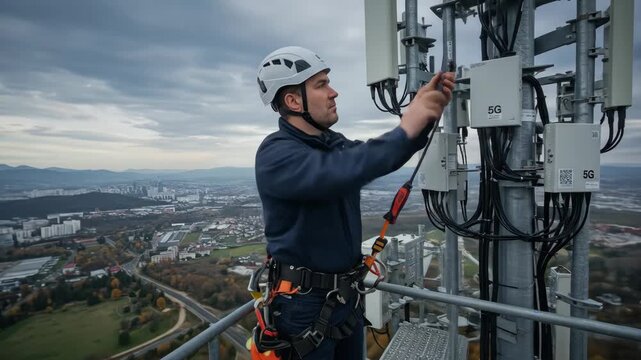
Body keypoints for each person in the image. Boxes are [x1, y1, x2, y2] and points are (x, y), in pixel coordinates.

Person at [254, 46, 454, 360]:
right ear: (293, 101)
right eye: (321, 85)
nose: (334, 93)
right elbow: (343, 171)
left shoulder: (332, 143)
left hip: (345, 297)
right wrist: (408, 125)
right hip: (303, 307)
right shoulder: (276, 154)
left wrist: (424, 115)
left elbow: (377, 156)